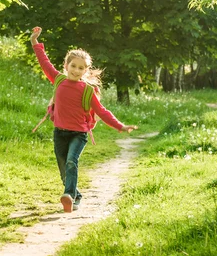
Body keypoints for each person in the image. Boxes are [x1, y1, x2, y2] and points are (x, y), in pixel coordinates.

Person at [30, 26, 138, 213]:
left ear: (85, 70)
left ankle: (69, 197)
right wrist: (34, 41)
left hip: (78, 134)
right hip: (59, 133)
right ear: (66, 65)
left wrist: (120, 126)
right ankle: (76, 195)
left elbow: (102, 111)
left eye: (81, 68)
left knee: (72, 161)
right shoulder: (58, 80)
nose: (76, 70)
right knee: (64, 170)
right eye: (73, 66)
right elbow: (44, 62)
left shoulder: (88, 90)